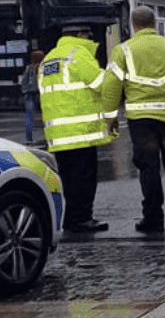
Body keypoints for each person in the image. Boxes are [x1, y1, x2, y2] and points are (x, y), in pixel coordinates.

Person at [102, 5, 165, 234]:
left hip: (141, 119)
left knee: (148, 167)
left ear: (135, 25)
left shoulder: (123, 50)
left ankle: (153, 218)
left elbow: (111, 85)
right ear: (154, 23)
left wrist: (110, 116)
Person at [38, 24, 112, 233]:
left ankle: (70, 218)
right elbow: (102, 84)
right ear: (80, 35)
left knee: (68, 180)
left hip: (57, 134)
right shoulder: (79, 55)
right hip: (80, 131)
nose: (90, 39)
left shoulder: (49, 59)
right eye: (88, 35)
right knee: (84, 179)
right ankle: (81, 219)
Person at [21, 49, 43, 144]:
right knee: (45, 117)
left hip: (30, 94)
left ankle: (29, 139)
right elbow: (30, 81)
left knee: (29, 117)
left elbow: (26, 82)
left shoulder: (29, 68)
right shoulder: (41, 68)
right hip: (38, 93)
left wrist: (26, 90)